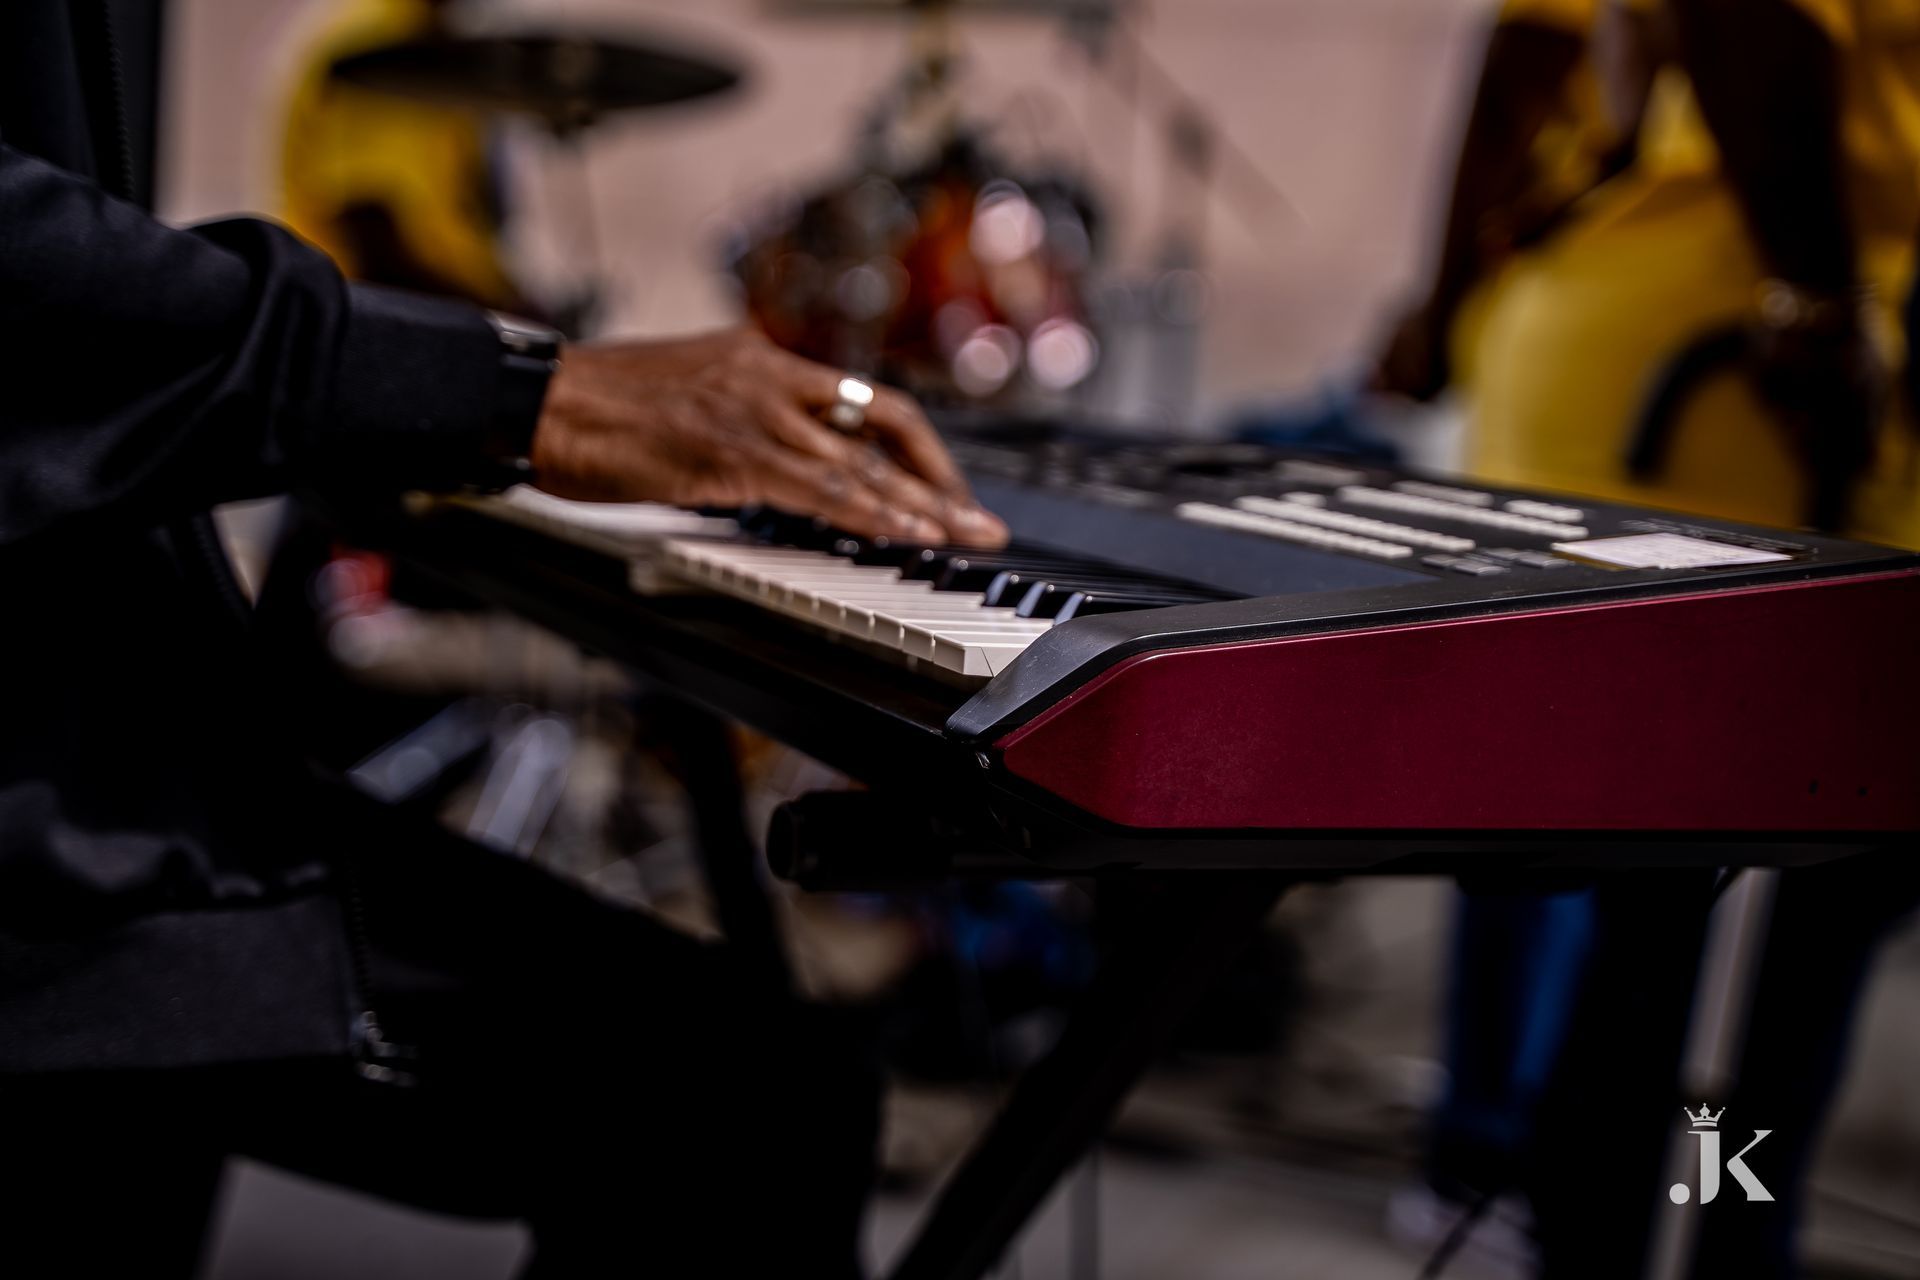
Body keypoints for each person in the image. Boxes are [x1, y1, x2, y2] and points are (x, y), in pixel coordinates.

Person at [0, 1, 1007, 1275]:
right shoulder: (357, 50)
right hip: (56, 841)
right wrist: (509, 389)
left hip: (100, 744)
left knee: (756, 1086)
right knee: (750, 1103)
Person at [1375, 2, 1920, 1276]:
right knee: (1746, 929)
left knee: (1669, 921)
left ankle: (1620, 1209)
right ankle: (1671, 1223)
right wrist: (1818, 302)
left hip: (1681, 388)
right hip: (1726, 415)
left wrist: (1449, 302)